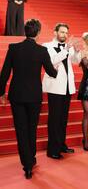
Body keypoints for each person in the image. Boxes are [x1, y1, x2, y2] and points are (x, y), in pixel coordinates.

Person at [0, 19, 58, 179]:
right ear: (38, 33)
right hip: (33, 96)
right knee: (32, 128)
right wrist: (57, 67)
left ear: (25, 32)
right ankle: (30, 159)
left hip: (17, 95)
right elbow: (52, 73)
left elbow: (4, 73)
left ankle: (26, 163)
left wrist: (1, 93)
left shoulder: (14, 48)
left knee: (21, 129)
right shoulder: (41, 51)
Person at [42, 23, 81, 159]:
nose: (64, 35)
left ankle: (61, 145)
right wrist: (66, 50)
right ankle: (52, 150)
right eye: (62, 32)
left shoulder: (68, 47)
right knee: (54, 119)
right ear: (55, 32)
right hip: (54, 87)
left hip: (67, 87)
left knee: (63, 119)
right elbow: (51, 62)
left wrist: (76, 51)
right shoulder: (46, 46)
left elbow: (76, 61)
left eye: (66, 33)